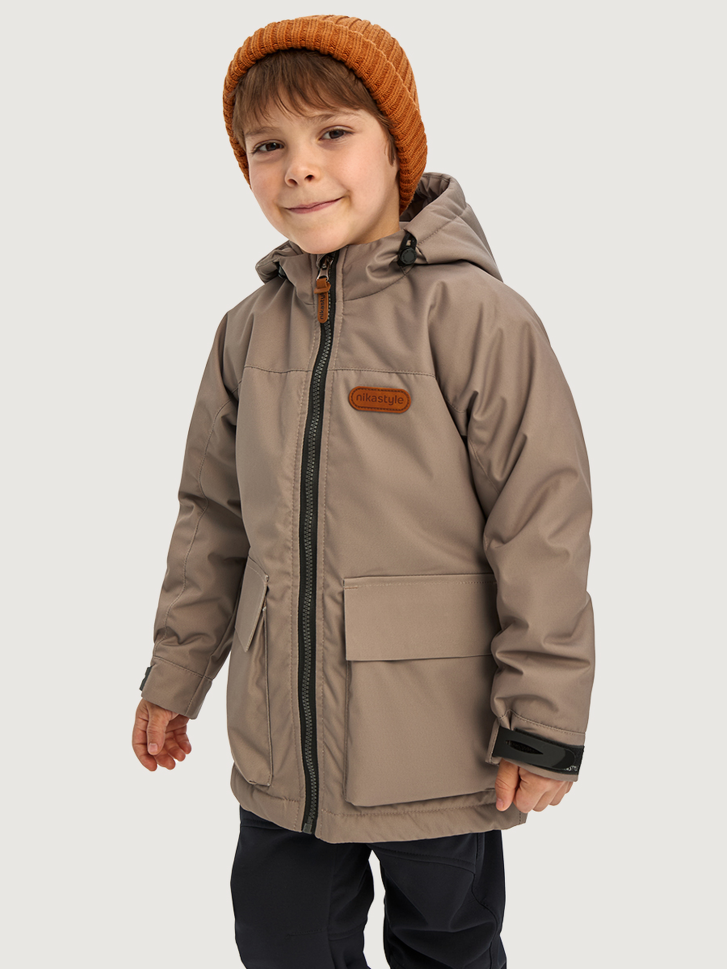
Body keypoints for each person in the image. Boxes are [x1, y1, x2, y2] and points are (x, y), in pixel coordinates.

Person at [132, 15, 595, 969]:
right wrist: (175, 675)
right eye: (268, 146)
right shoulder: (246, 330)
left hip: (438, 741)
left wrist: (543, 719)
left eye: (332, 132)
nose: (298, 167)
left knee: (448, 947)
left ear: (396, 145)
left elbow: (540, 523)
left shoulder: (476, 317)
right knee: (279, 941)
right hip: (282, 748)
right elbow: (211, 520)